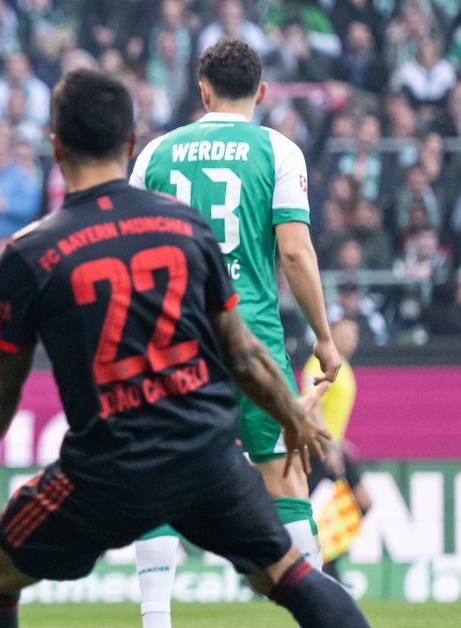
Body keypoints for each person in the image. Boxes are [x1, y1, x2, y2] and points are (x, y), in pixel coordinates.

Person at [0, 69, 369, 628]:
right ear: (130, 144)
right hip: (206, 456)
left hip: (105, 468)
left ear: (55, 146)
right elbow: (245, 354)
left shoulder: (30, 253)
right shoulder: (187, 229)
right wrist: (291, 417)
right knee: (292, 575)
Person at [127, 40, 341, 627]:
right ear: (262, 92)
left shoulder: (156, 154)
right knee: (284, 472)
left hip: (175, 334)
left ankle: (155, 620)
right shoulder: (279, 151)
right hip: (253, 336)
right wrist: (323, 336)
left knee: (162, 472)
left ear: (202, 90)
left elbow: (137, 252)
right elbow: (295, 252)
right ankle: (321, 613)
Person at [302, 319, 372, 582]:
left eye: (355, 334)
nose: (352, 339)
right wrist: (331, 446)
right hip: (317, 446)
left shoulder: (343, 365)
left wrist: (339, 442)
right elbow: (313, 404)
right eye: (346, 333)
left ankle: (327, 563)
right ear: (331, 334)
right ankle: (267, 565)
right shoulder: (321, 362)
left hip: (330, 445)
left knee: (360, 502)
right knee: (294, 506)